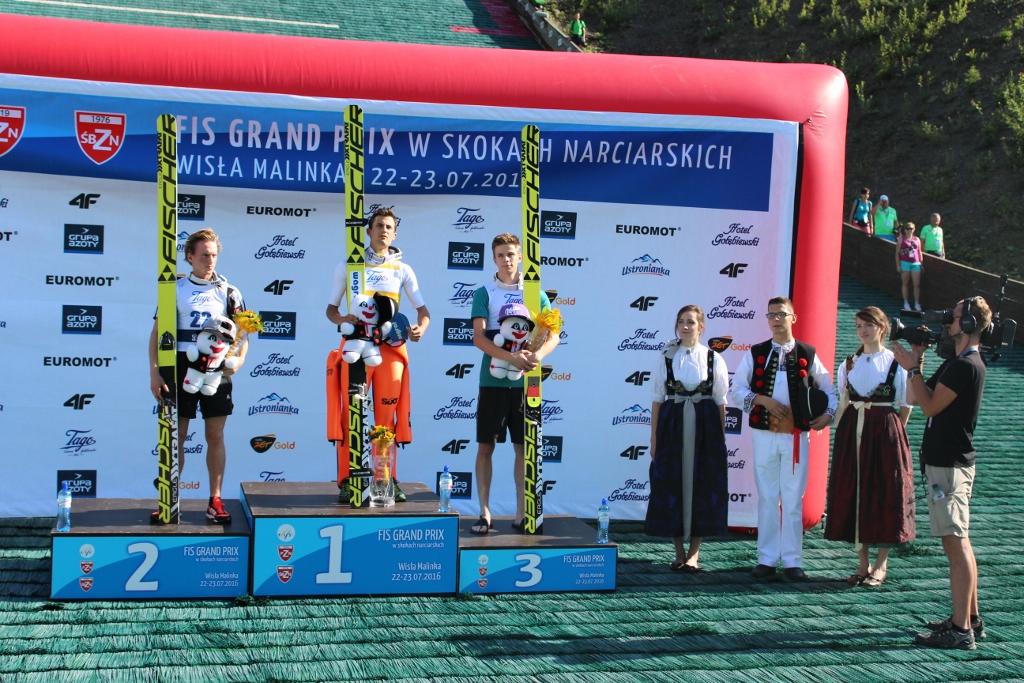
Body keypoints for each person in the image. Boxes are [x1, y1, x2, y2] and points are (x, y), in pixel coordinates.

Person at [893, 297, 990, 650]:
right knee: (959, 540)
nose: (947, 321)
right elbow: (916, 397)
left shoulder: (966, 366)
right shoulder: (957, 362)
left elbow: (931, 405)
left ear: (969, 325)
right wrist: (916, 361)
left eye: (955, 317)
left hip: (950, 465)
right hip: (947, 463)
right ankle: (969, 619)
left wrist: (913, 368)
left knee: (955, 542)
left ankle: (961, 630)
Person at [326, 207, 430, 502]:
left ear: (395, 234)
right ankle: (349, 480)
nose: (384, 230)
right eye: (379, 225)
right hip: (357, 346)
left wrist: (420, 329)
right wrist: (341, 319)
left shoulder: (402, 269)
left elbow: (423, 312)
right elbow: (331, 310)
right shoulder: (350, 265)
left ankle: (386, 479)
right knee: (353, 415)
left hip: (390, 349)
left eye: (389, 227)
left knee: (386, 417)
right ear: (369, 230)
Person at [731, 296, 837, 581]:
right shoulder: (757, 352)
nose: (776, 319)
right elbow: (736, 389)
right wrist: (762, 400)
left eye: (781, 314)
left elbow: (829, 390)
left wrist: (827, 416)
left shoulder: (807, 353)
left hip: (795, 437)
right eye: (771, 315)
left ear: (793, 318)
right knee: (767, 497)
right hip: (764, 434)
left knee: (792, 499)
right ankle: (766, 558)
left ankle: (792, 561)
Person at [149, 229, 246, 524]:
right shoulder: (174, 289)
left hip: (216, 367)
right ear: (190, 257)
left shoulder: (230, 291)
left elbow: (243, 333)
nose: (210, 260)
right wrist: (154, 371)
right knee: (176, 436)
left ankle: (215, 500)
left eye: (214, 255)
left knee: (215, 435)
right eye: (204, 255)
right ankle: (169, 498)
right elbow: (156, 334)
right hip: (181, 366)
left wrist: (240, 358)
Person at [470, 233, 559, 534]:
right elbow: (479, 337)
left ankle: (522, 514)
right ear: (493, 259)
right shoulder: (485, 292)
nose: (506, 259)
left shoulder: (535, 293)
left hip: (526, 384)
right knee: (486, 446)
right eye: (500, 255)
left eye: (511, 254)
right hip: (492, 381)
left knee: (524, 447)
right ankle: (484, 513)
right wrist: (510, 357)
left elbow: (553, 335)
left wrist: (536, 356)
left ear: (520, 256)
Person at [824, 307, 914, 587]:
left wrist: (893, 434)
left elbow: (905, 404)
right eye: (859, 326)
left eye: (868, 325)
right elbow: (843, 398)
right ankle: (863, 564)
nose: (862, 330)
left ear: (882, 328)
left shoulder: (894, 362)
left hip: (885, 431)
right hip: (853, 431)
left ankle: (881, 564)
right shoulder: (849, 363)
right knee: (855, 490)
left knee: (886, 491)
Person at [644, 305, 730, 572]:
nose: (684, 326)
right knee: (671, 483)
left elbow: (720, 401)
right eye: (681, 321)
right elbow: (657, 399)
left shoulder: (714, 358)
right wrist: (654, 438)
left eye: (690, 322)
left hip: (705, 427)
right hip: (672, 424)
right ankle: (678, 553)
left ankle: (694, 553)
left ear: (701, 327)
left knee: (702, 485)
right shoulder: (666, 358)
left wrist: (720, 439)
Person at [896, 221, 923, 311]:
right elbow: (897, 253)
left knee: (917, 283)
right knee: (905, 283)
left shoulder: (917, 239)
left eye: (911, 228)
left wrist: (921, 264)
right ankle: (906, 302)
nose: (909, 230)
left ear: (914, 229)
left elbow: (919, 251)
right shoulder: (902, 239)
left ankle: (916, 303)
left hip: (915, 263)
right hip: (905, 262)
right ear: (905, 230)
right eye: (908, 228)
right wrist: (898, 265)